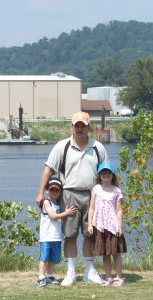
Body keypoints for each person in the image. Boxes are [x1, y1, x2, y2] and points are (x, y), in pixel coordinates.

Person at [36, 111, 108, 286]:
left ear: (89, 127)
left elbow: (107, 172)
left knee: (90, 234)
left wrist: (112, 196)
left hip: (92, 196)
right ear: (72, 127)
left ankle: (89, 272)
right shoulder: (62, 146)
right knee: (70, 235)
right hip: (68, 195)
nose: (80, 129)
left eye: (83, 126)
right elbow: (48, 170)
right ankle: (71, 272)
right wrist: (40, 193)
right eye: (77, 126)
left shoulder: (98, 147)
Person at [88, 162, 127, 286]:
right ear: (99, 175)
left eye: (108, 172)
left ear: (112, 175)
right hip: (99, 225)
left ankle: (119, 277)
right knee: (105, 253)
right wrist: (90, 224)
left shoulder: (117, 191)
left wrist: (120, 226)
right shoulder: (96, 189)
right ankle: (108, 277)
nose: (105, 175)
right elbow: (92, 208)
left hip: (113, 226)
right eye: (103, 172)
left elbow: (119, 210)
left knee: (116, 253)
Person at [37, 177, 76, 287]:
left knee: (54, 258)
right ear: (47, 190)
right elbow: (53, 216)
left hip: (57, 237)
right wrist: (67, 213)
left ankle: (50, 275)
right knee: (44, 258)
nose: (54, 192)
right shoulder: (46, 202)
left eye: (57, 190)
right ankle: (41, 277)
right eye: (51, 189)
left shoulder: (58, 204)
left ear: (60, 192)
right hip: (46, 237)